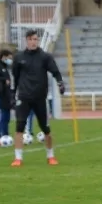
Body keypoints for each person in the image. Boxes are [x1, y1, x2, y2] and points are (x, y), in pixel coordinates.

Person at [11, 29, 64, 167]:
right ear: (26, 40)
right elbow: (15, 78)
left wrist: (60, 83)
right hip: (23, 97)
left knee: (46, 129)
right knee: (19, 127)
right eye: (31, 39)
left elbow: (56, 72)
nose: (33, 42)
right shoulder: (18, 57)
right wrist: (12, 94)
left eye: (36, 39)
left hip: (40, 98)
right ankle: (18, 158)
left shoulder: (45, 56)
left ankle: (50, 156)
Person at [0, 49, 15, 139]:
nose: (10, 60)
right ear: (4, 57)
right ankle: (0, 134)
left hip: (7, 95)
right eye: (9, 58)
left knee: (7, 117)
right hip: (1, 95)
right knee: (3, 117)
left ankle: (5, 134)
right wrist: (4, 81)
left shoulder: (5, 67)